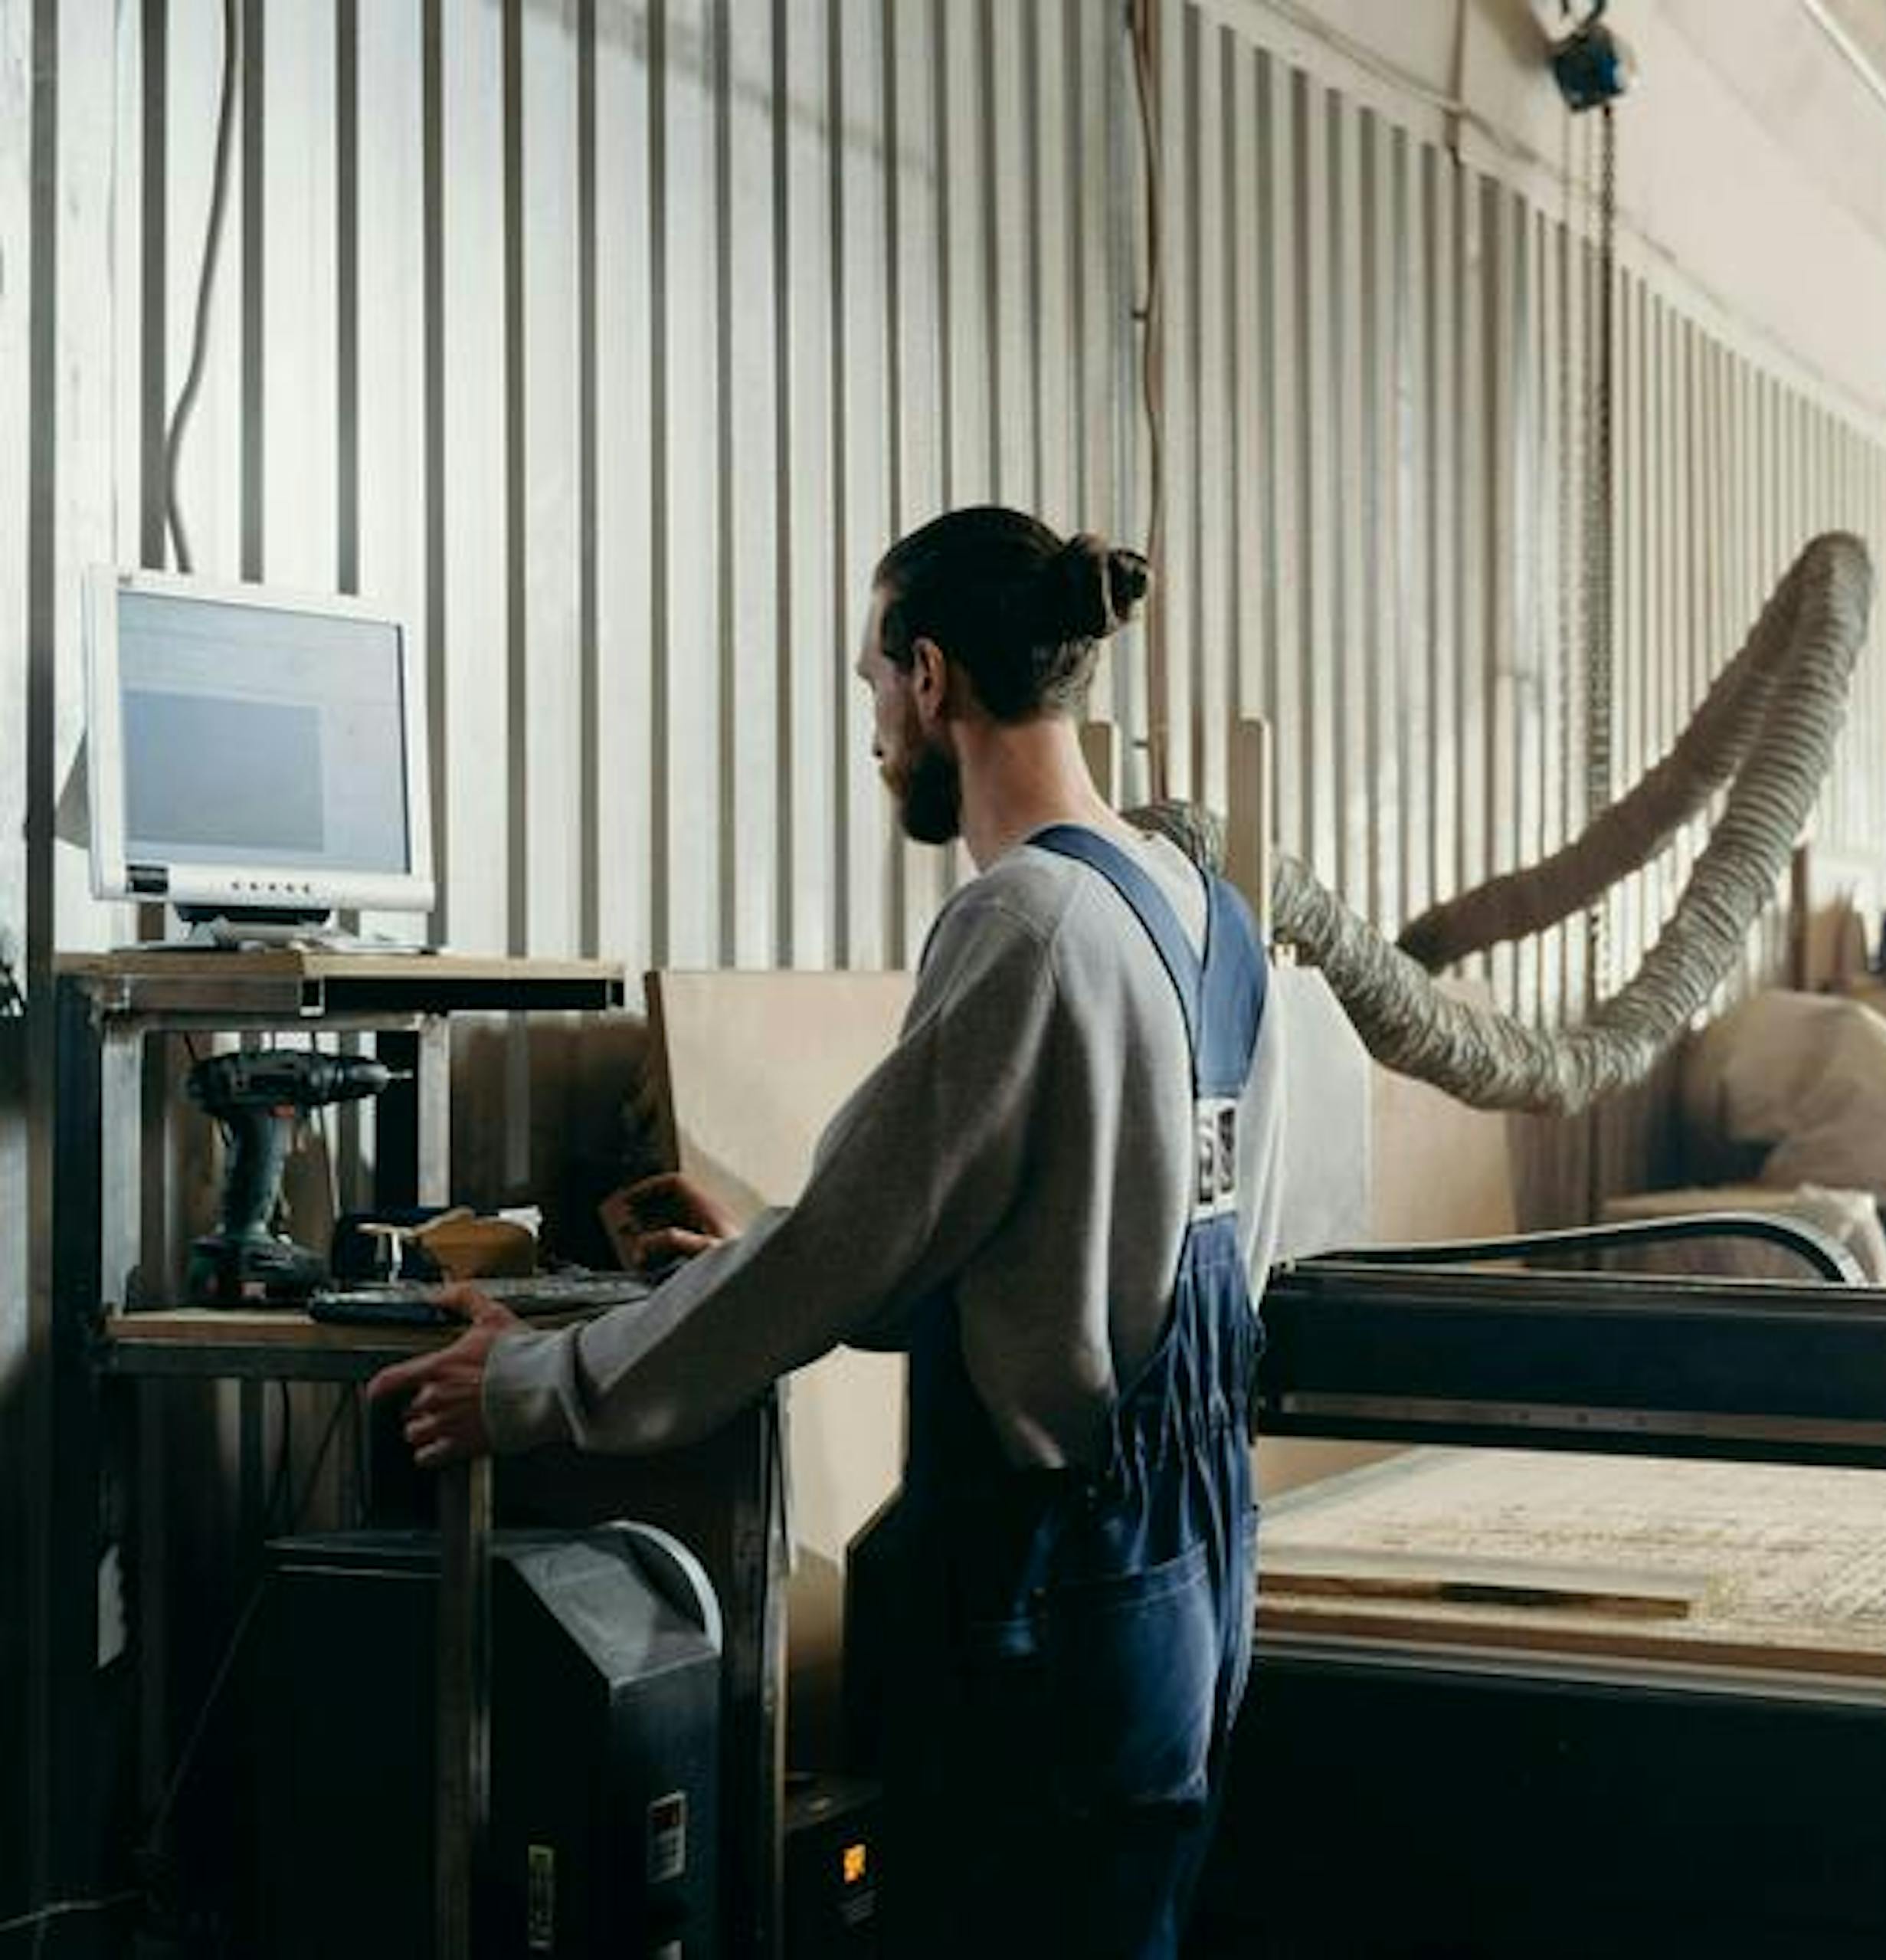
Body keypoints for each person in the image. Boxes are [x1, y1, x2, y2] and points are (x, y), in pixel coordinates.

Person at [369, 506, 1286, 1955]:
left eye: (871, 683)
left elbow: (828, 1265)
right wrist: (774, 1257)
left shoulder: (1027, 923)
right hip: (1186, 1584)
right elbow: (1104, 1253)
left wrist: (529, 1385)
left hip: (1046, 1599)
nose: (874, 730)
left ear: (931, 678)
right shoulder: (1210, 918)